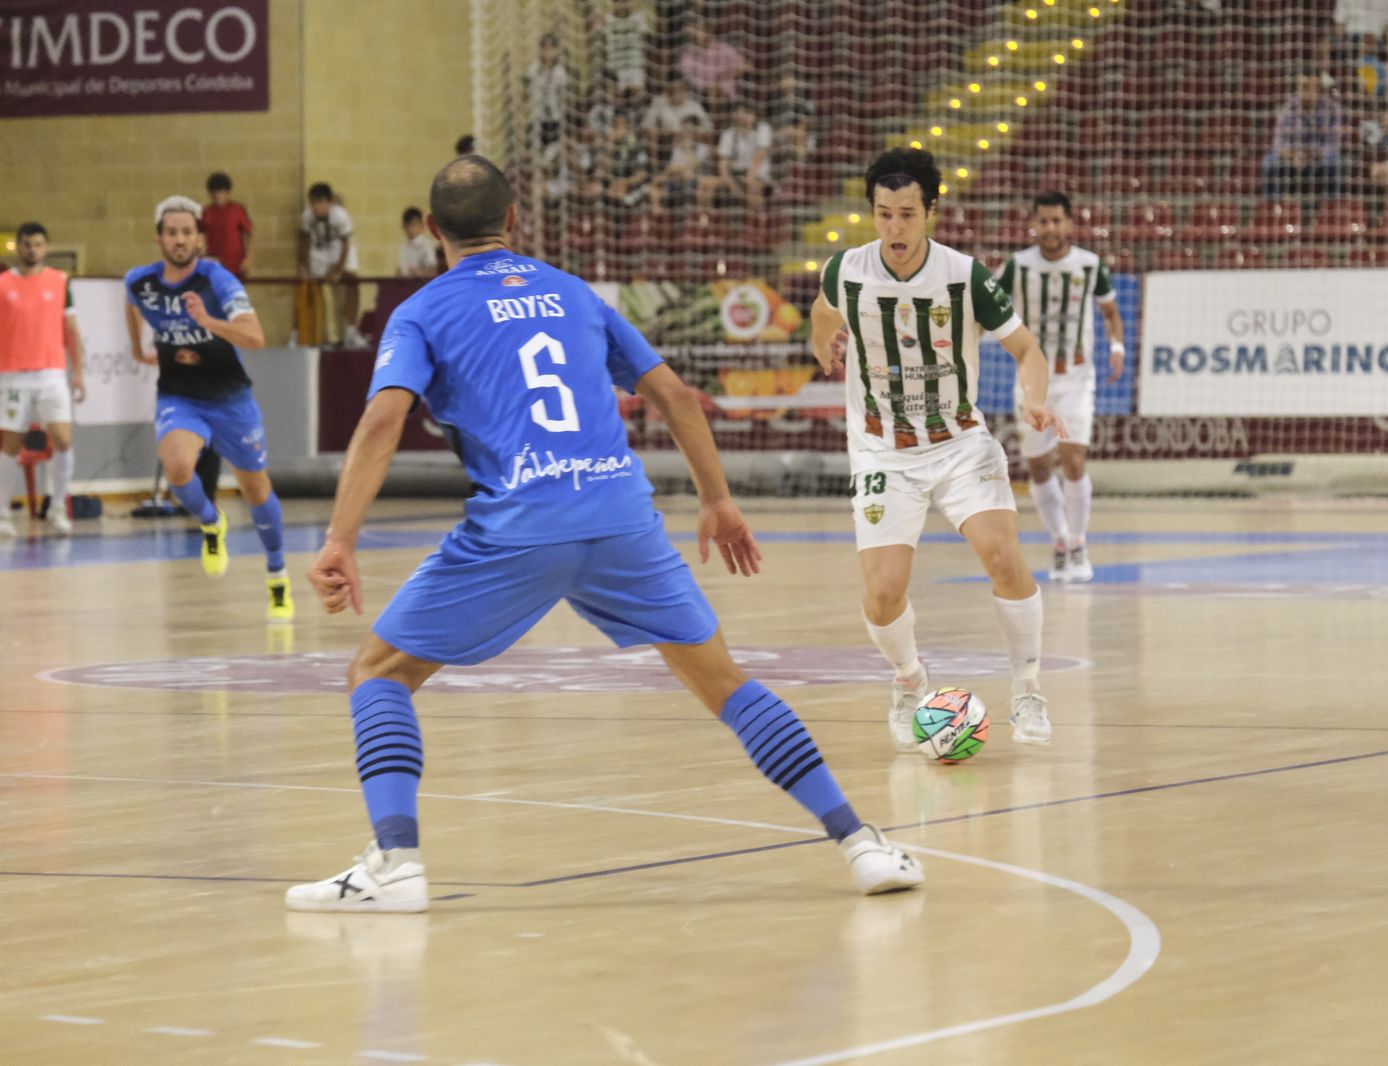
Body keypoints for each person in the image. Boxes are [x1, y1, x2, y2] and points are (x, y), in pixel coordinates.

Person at [287, 155, 922, 911]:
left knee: (378, 673)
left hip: (520, 524)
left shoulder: (422, 311)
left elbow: (382, 421)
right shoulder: (571, 291)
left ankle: (396, 864)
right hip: (622, 517)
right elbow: (674, 395)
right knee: (726, 683)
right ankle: (861, 845)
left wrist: (340, 539)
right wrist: (716, 500)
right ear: (514, 219)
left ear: (431, 231)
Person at [809, 147, 1064, 751]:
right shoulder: (845, 270)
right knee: (882, 592)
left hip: (959, 444)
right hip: (882, 450)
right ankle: (909, 681)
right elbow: (822, 311)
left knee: (1002, 556)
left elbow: (1028, 350)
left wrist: (1033, 398)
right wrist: (824, 345)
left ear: (930, 213)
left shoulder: (965, 275)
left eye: (906, 214)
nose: (894, 227)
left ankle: (1028, 689)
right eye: (883, 214)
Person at [124, 196, 294, 622]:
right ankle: (210, 521)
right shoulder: (140, 281)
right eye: (172, 232)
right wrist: (136, 348)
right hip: (179, 396)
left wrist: (209, 323)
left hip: (230, 400)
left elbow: (255, 337)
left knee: (257, 491)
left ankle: (277, 573)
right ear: (159, 238)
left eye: (187, 232)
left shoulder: (217, 280)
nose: (180, 240)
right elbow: (131, 301)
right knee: (178, 468)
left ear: (199, 238)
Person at [998, 192, 1126, 583]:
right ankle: (1058, 541)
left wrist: (1117, 347)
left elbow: (1110, 312)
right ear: (1034, 225)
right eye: (1044, 221)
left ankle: (1078, 544)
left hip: (1076, 377)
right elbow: (989, 307)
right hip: (1031, 379)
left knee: (1074, 460)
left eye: (1057, 221)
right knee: (1038, 466)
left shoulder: (1090, 265)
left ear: (1069, 224)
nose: (1050, 228)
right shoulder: (1017, 266)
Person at [0, 222, 85, 537]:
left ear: (45, 247)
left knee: (63, 438)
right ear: (18, 247)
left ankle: (58, 508)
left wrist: (78, 373)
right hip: (12, 376)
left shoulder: (60, 282)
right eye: (26, 244)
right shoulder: (3, 284)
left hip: (51, 374)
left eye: (37, 244)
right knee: (10, 445)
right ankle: (2, 514)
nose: (32, 250)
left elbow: (72, 331)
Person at [300, 182, 365, 347]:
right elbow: (305, 241)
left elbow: (345, 244)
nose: (316, 207)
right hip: (319, 252)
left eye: (320, 203)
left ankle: (350, 330)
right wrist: (307, 267)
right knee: (315, 290)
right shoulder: (307, 216)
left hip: (338, 250)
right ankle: (321, 336)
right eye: (313, 203)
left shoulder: (340, 215)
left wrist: (338, 269)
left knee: (352, 282)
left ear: (329, 203)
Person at [1262, 73, 1343, 201]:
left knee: (1335, 162)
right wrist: (1294, 155)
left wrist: (1311, 155)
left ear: (1318, 89)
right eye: (1302, 87)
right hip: (1293, 160)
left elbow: (1333, 145)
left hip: (1319, 160)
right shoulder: (1288, 107)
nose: (1305, 92)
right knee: (1269, 161)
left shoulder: (1332, 109)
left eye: (1309, 87)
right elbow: (1278, 143)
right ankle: (1273, 207)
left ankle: (1331, 206)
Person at [698, 100, 772, 210]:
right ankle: (705, 218)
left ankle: (757, 218)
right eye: (740, 113)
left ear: (753, 115)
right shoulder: (729, 133)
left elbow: (760, 155)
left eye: (747, 113)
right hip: (734, 175)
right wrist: (730, 183)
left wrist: (749, 177)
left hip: (757, 174)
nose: (743, 117)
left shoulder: (763, 128)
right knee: (705, 184)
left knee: (753, 186)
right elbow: (723, 163)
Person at [641, 71, 710, 160]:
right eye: (672, 89)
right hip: (667, 144)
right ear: (666, 90)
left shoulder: (694, 105)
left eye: (679, 88)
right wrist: (664, 132)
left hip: (690, 143)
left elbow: (708, 128)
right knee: (652, 132)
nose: (675, 92)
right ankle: (655, 166)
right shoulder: (658, 102)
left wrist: (690, 133)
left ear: (684, 88)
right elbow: (646, 126)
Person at [679, 19, 748, 105]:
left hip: (729, 99)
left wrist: (727, 75)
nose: (694, 34)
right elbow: (699, 87)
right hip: (703, 101)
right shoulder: (686, 59)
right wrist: (714, 88)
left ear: (706, 31)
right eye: (690, 33)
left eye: (697, 29)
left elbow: (745, 65)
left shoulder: (721, 48)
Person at [201, 171, 253, 278]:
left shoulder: (237, 210)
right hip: (214, 266)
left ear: (227, 192)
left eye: (220, 192)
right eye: (214, 192)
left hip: (235, 266)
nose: (217, 195)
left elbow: (250, 234)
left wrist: (248, 259)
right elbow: (199, 236)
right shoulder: (206, 212)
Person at [396, 207, 437, 278]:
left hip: (421, 282)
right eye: (408, 225)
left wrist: (420, 273)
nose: (410, 228)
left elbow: (433, 270)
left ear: (421, 225)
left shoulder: (427, 245)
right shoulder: (404, 246)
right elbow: (399, 270)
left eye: (414, 224)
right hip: (405, 282)